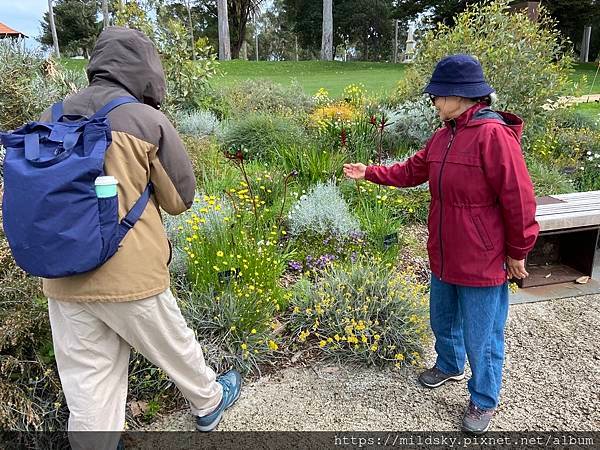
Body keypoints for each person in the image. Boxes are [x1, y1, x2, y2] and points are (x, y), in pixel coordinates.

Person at [41, 27, 241, 445]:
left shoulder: (52, 114)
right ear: (145, 68)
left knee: (88, 378)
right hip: (129, 273)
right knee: (174, 344)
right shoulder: (144, 119)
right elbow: (179, 199)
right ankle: (208, 403)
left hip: (60, 272)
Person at [344, 54, 539, 434]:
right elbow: (411, 170)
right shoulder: (443, 136)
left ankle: (484, 399)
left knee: (483, 336)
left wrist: (518, 252)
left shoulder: (493, 136)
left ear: (459, 95)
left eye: (437, 95)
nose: (432, 102)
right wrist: (370, 172)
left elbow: (519, 198)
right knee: (442, 319)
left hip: (482, 259)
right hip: (445, 253)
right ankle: (449, 365)